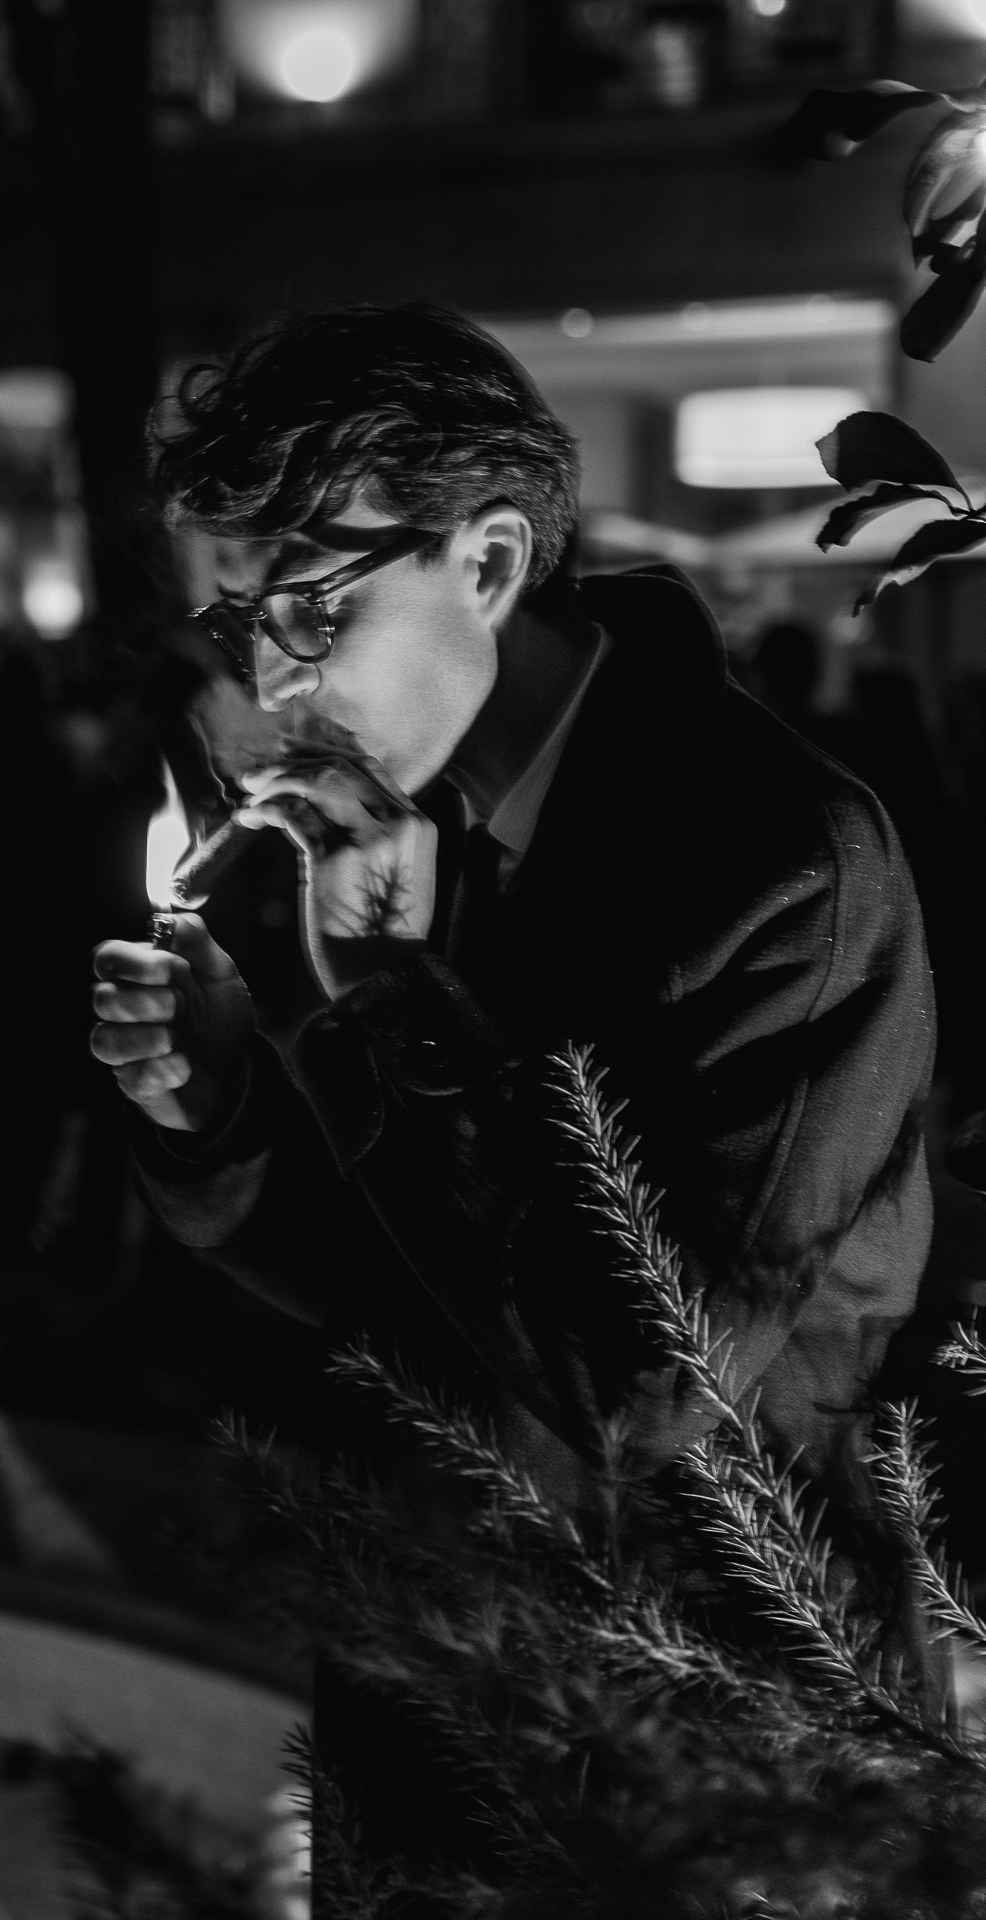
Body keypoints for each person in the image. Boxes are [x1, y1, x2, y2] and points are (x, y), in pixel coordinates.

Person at [88, 305, 939, 1832]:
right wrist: (210, 1109)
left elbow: (645, 1383)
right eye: (231, 631)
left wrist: (383, 1012)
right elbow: (388, 1292)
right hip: (438, 1676)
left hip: (723, 1726)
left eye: (304, 612)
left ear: (483, 565)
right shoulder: (389, 819)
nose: (267, 691)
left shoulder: (779, 862)